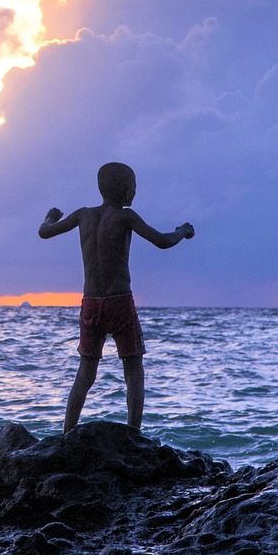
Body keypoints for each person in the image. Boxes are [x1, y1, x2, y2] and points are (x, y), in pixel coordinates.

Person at [38, 162, 194, 434]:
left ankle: (67, 433)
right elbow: (162, 241)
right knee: (133, 368)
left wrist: (50, 216)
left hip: (90, 304)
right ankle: (133, 432)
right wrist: (182, 230)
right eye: (133, 187)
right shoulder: (125, 216)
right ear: (125, 192)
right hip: (119, 301)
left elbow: (45, 232)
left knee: (85, 372)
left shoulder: (83, 215)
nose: (134, 193)